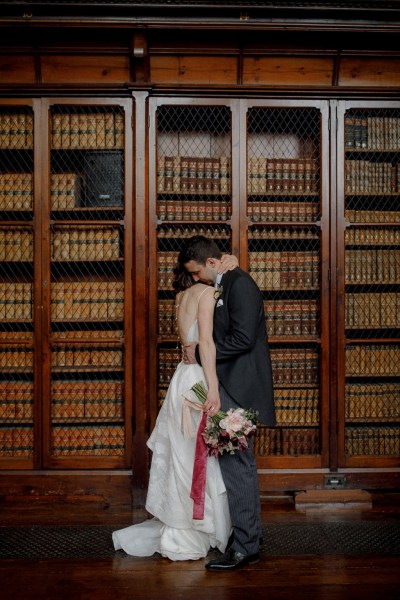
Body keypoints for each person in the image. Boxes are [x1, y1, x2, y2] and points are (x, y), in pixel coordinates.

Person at [112, 253, 238, 561]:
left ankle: (181, 521)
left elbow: (188, 343)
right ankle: (195, 528)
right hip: (197, 380)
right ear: (199, 269)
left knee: (181, 452)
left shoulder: (181, 296)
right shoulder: (208, 293)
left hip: (180, 379)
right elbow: (205, 344)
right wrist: (213, 389)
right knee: (198, 455)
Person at [181, 235, 275, 572]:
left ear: (210, 262)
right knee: (236, 466)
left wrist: (204, 350)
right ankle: (247, 537)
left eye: (196, 272)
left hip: (239, 388)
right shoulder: (225, 281)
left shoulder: (240, 284)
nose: (194, 279)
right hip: (230, 384)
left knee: (238, 466)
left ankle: (245, 548)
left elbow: (244, 338)